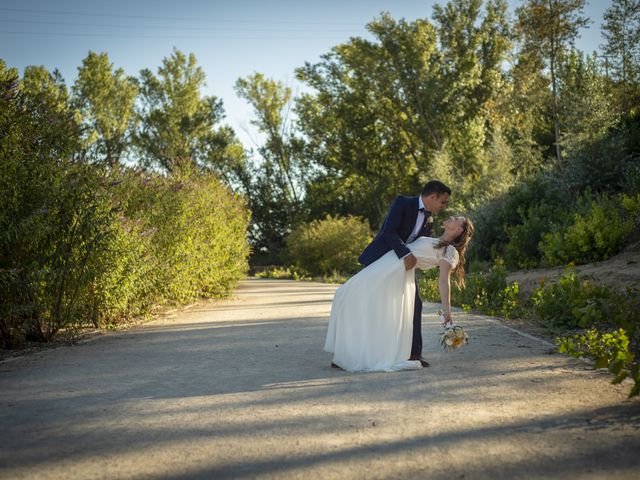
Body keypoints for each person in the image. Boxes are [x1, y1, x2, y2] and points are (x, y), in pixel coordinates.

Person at [324, 215, 474, 372]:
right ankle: (348, 352)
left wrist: (447, 311)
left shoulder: (449, 251)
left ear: (459, 230)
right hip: (388, 262)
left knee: (347, 293)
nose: (451, 216)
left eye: (457, 218)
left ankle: (354, 355)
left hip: (395, 271)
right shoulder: (433, 240)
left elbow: (443, 280)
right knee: (348, 295)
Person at [358, 181, 452, 367]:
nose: (444, 206)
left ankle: (414, 354)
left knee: (415, 304)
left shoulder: (428, 218)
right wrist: (406, 254)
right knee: (365, 304)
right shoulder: (403, 203)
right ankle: (354, 351)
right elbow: (388, 232)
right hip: (380, 260)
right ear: (432, 196)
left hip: (403, 268)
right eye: (443, 202)